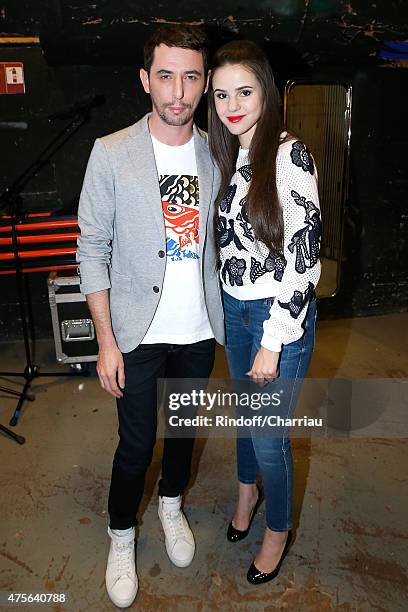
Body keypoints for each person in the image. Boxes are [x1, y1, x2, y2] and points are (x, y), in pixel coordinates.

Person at [77, 24, 224, 608]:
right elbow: (92, 245)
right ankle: (121, 534)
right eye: (166, 76)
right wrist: (105, 339)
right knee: (135, 445)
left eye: (191, 76)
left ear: (205, 81)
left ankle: (170, 504)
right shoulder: (112, 152)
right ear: (145, 80)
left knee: (183, 434)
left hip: (200, 329)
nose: (178, 91)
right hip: (136, 330)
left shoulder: (220, 151)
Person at [208, 40, 321, 584]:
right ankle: (245, 493)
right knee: (245, 423)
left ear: (266, 92)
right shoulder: (231, 156)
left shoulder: (288, 153)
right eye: (223, 94)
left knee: (269, 439)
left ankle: (277, 528)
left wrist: (274, 341)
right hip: (235, 311)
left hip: (278, 319)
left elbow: (304, 258)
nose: (233, 105)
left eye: (245, 91)